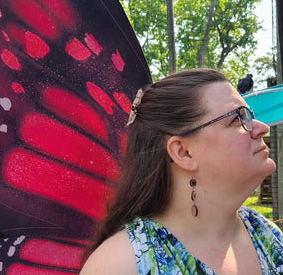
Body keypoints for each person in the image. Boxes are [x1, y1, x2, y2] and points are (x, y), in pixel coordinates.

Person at [80, 68, 282, 275]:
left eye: (250, 116)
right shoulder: (119, 265)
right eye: (237, 119)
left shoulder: (267, 235)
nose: (262, 128)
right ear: (183, 152)